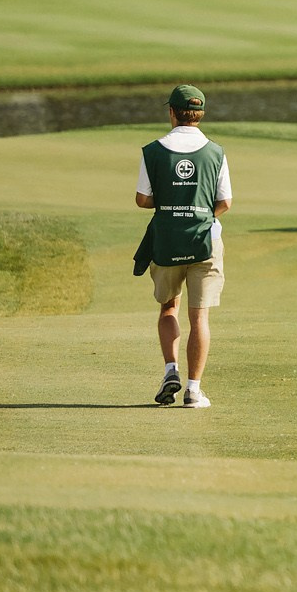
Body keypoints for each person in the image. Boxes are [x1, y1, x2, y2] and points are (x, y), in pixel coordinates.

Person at [133, 84, 229, 408]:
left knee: (168, 308)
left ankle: (170, 369)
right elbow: (225, 202)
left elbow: (142, 199)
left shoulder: (153, 150)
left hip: (167, 241)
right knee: (199, 317)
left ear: (172, 112)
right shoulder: (216, 151)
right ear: (199, 114)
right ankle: (193, 390)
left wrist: (172, 205)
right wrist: (197, 210)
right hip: (206, 241)